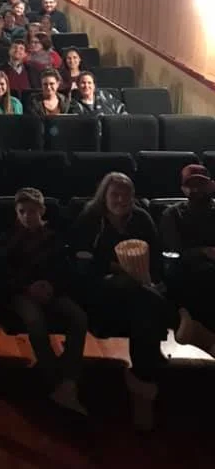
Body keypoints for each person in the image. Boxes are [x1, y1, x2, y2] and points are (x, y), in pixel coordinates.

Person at [70, 173, 170, 430]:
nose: (121, 199)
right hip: (101, 291)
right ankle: (145, 383)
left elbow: (156, 259)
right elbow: (82, 264)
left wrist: (150, 278)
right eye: (115, 194)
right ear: (104, 195)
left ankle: (142, 384)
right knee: (146, 299)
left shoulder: (142, 219)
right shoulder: (91, 219)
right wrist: (117, 267)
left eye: (126, 194)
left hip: (139, 294)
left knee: (144, 305)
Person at [4, 188, 88, 414]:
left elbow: (65, 270)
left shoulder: (54, 237)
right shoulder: (9, 239)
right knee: (35, 321)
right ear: (16, 213)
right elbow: (3, 273)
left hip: (52, 290)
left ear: (42, 211)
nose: (26, 216)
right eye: (22, 212)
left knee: (78, 317)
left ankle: (70, 378)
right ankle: (55, 379)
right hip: (22, 293)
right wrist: (27, 288)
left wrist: (51, 285)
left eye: (32, 211)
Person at [161, 164, 215, 353]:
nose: (197, 189)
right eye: (191, 185)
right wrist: (203, 252)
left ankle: (196, 330)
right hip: (186, 271)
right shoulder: (172, 214)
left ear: (212, 186)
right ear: (183, 189)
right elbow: (174, 252)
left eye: (202, 184)